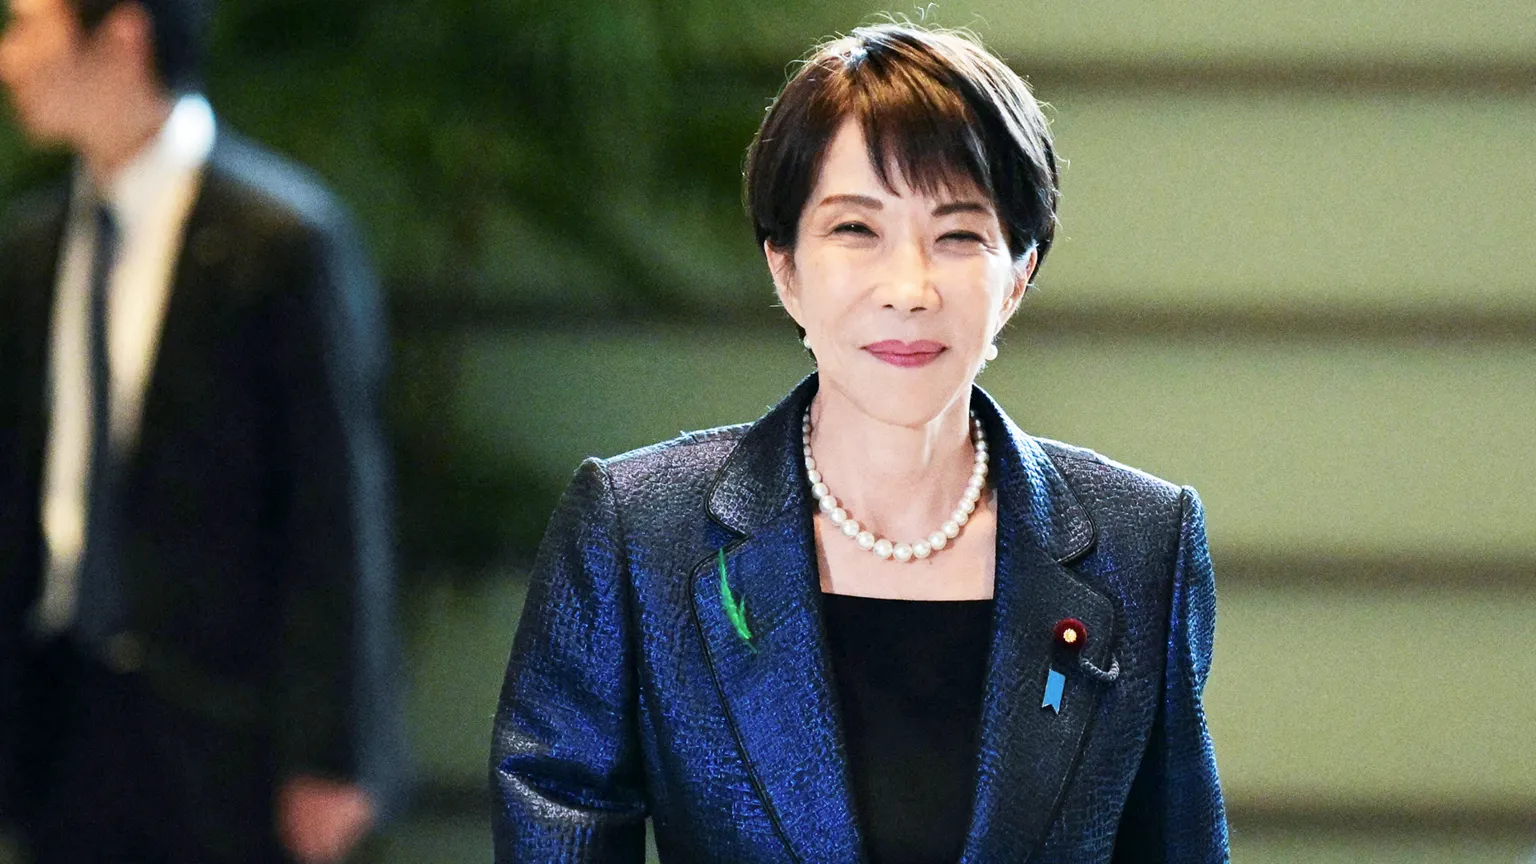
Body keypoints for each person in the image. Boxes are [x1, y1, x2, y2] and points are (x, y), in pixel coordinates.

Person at [490, 22, 1227, 864]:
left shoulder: (1143, 545)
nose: (908, 289)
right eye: (855, 229)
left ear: (1018, 276)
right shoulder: (639, 535)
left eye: (958, 235)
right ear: (785, 266)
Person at [0, 0, 405, 860]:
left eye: (26, 26)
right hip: (62, 718)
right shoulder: (33, 250)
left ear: (123, 36)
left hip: (227, 726)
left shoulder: (282, 241)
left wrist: (333, 753)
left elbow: (336, 508)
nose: (9, 60)